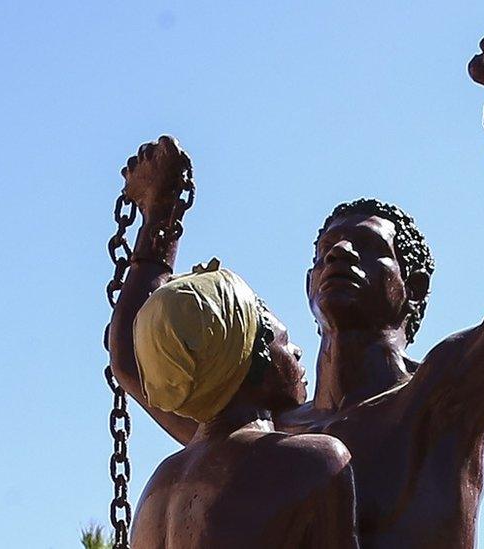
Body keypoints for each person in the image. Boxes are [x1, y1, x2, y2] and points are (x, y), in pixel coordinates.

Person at [110, 14, 484, 548]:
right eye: (325, 250)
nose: (339, 253)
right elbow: (132, 359)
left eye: (369, 247)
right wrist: (160, 217)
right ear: (308, 286)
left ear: (413, 287)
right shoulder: (265, 426)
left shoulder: (441, 396)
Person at [113, 142, 359, 549]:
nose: (298, 352)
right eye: (283, 339)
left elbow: (128, 354)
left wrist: (159, 214)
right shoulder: (314, 461)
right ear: (254, 353)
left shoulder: (158, 489)